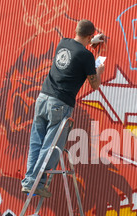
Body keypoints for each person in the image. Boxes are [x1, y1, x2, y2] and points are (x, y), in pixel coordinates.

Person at [21, 19, 106, 198]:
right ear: (90, 35)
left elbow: (78, 48)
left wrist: (92, 41)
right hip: (60, 103)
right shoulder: (87, 57)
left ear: (76, 30)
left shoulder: (63, 43)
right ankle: (36, 183)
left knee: (36, 142)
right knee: (50, 146)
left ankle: (29, 181)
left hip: (43, 98)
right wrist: (99, 69)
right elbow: (95, 85)